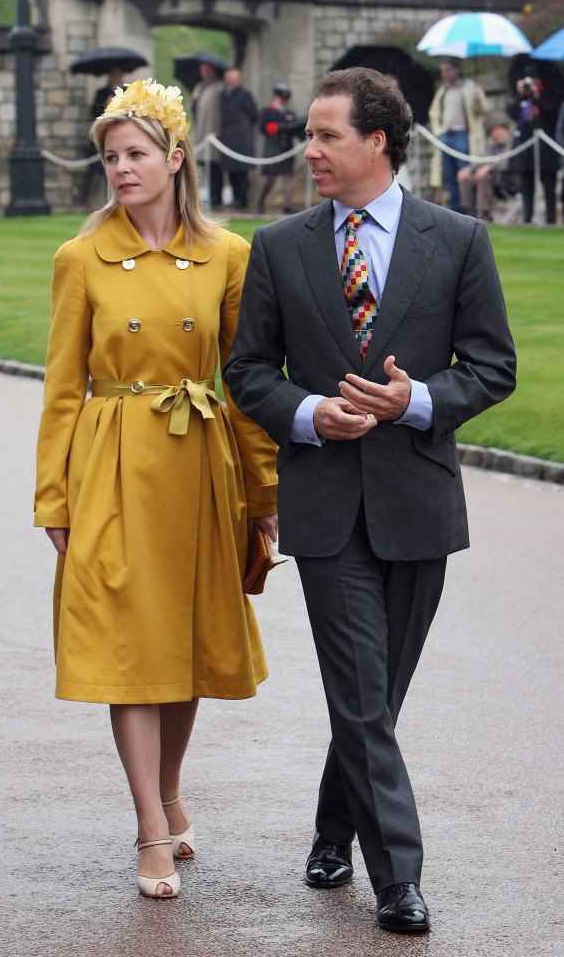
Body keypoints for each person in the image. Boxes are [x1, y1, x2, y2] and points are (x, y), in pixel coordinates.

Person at [225, 67, 516, 934]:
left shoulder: (458, 238)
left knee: (374, 698)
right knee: (360, 691)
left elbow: (491, 367)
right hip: (322, 505)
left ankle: (331, 826)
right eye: (306, 135)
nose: (306, 149)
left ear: (376, 141)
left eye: (324, 136)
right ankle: (398, 880)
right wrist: (309, 413)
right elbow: (245, 372)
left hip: (417, 502)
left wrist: (414, 401)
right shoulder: (278, 245)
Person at [34, 78, 278, 901]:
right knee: (126, 649)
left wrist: (262, 490)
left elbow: (245, 384)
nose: (121, 169)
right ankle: (148, 826)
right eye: (110, 157)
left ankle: (171, 790)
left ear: (177, 158)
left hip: (199, 463)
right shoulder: (80, 257)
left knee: (183, 646)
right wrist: (53, 499)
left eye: (136, 154)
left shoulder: (230, 256)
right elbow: (62, 387)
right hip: (109, 467)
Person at [428, 58, 490, 213]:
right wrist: (438, 131)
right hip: (447, 136)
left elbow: (484, 110)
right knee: (449, 176)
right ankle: (455, 209)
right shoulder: (443, 91)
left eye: (447, 70)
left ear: (456, 70)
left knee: (465, 175)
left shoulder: (471, 88)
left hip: (464, 136)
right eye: (442, 71)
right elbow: (434, 112)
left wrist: (477, 101)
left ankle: (469, 210)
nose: (445, 74)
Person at [506, 65, 560, 225]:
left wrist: (537, 96)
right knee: (527, 186)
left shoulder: (548, 95)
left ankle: (551, 220)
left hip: (546, 150)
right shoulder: (523, 98)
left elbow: (552, 112)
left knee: (549, 186)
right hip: (526, 148)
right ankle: (527, 219)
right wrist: (520, 94)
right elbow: (512, 112)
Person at [456, 116, 520, 222]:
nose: (495, 134)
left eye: (497, 130)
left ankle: (484, 213)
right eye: (492, 132)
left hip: (510, 180)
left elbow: (506, 163)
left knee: (483, 177)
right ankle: (468, 212)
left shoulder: (514, 143)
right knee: (467, 178)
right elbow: (482, 160)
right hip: (494, 181)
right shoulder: (493, 147)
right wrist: (468, 169)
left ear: (505, 129)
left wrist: (489, 168)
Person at [78, 65, 125, 205]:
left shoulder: (128, 91)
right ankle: (86, 201)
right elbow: (94, 113)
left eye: (119, 73)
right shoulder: (102, 92)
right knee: (95, 171)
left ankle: (114, 200)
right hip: (104, 136)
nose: (117, 76)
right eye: (114, 73)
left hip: (121, 135)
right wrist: (106, 106)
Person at [258, 84, 305, 214]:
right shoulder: (268, 111)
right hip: (274, 148)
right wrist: (282, 127)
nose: (283, 102)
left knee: (288, 177)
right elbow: (266, 128)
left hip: (286, 148)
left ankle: (288, 204)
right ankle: (261, 201)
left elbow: (295, 130)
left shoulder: (289, 113)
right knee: (270, 178)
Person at [219, 67, 258, 209]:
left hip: (241, 139)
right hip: (228, 139)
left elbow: (254, 114)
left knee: (242, 172)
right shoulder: (223, 94)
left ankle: (242, 199)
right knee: (231, 170)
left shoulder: (244, 95)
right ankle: (236, 198)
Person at [191, 61, 225, 208]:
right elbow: (194, 111)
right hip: (201, 130)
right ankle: (210, 194)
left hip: (213, 130)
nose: (203, 72)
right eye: (202, 70)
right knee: (203, 163)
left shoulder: (219, 87)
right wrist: (193, 103)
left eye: (206, 70)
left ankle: (216, 195)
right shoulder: (199, 87)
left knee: (214, 164)